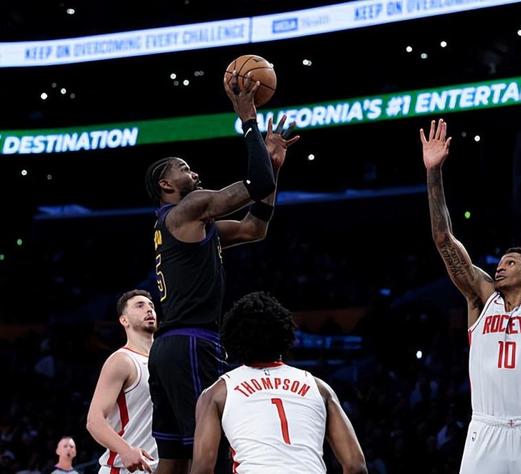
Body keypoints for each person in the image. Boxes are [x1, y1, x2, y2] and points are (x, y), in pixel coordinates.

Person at [144, 71, 299, 474]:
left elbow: (254, 228)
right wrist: (248, 119)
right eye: (183, 168)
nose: (193, 173)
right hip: (192, 342)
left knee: (173, 459)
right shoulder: (189, 207)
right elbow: (255, 182)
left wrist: (274, 167)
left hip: (168, 348)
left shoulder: (189, 226)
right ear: (165, 184)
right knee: (209, 450)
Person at [421, 119, 521, 473]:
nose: (499, 267)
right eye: (499, 262)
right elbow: (443, 239)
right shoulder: (481, 299)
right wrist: (433, 173)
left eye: (510, 263)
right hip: (485, 428)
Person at [191, 292, 367, 474]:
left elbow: (202, 469)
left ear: (233, 339)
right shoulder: (320, 388)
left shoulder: (218, 392)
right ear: (285, 335)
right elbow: (355, 466)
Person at [86, 289, 159, 474]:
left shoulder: (164, 362)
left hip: (157, 467)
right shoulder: (122, 360)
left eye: (151, 305)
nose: (149, 309)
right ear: (124, 320)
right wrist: (125, 450)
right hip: (124, 468)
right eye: (140, 305)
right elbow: (94, 421)